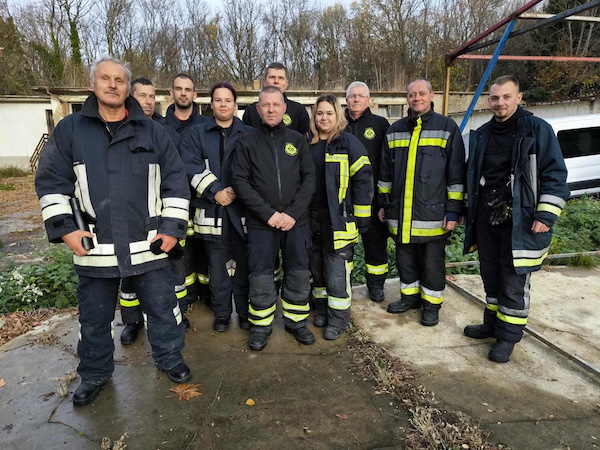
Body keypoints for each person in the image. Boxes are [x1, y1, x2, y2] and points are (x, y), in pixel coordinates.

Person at [35, 56, 192, 407]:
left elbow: (176, 182)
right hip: (95, 246)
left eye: (119, 80)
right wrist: (66, 230)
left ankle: (170, 358)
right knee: (94, 318)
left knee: (164, 309)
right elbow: (51, 182)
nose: (112, 85)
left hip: (149, 244)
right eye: (105, 78)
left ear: (127, 87)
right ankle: (94, 374)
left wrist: (172, 229)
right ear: (92, 84)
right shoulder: (70, 130)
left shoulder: (153, 131)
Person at [463, 75, 569, 363]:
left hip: (520, 219)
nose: (500, 103)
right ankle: (492, 324)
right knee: (490, 274)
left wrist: (545, 214)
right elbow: (472, 176)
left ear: (519, 98)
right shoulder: (482, 133)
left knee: (513, 279)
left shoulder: (537, 130)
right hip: (487, 216)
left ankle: (507, 337)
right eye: (495, 98)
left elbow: (555, 174)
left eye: (507, 97)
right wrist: (465, 210)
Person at [232, 86, 316, 351]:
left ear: (284, 108)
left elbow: (309, 179)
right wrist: (268, 214)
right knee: (260, 275)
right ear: (257, 109)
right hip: (261, 223)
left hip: (296, 222)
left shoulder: (298, 140)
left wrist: (292, 214)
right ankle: (261, 325)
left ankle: (296, 322)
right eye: (265, 105)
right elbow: (240, 182)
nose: (271, 109)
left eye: (276, 105)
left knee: (298, 272)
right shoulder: (246, 142)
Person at [378, 78, 465, 327]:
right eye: (412, 94)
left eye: (421, 94)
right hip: (400, 213)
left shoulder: (447, 128)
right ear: (407, 98)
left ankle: (431, 305)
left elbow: (456, 174)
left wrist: (453, 210)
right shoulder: (394, 130)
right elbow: (385, 173)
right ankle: (410, 298)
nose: (416, 98)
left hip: (433, 215)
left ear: (431, 95)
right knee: (404, 259)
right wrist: (383, 204)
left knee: (431, 263)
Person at [180, 82, 252, 332]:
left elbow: (254, 168)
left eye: (228, 100)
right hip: (211, 213)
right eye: (218, 100)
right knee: (217, 268)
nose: (223, 105)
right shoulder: (197, 133)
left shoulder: (248, 134)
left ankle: (244, 313)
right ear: (211, 104)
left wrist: (236, 190)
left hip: (241, 213)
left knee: (243, 266)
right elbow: (190, 165)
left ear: (235, 104)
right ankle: (222, 314)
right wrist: (215, 191)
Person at [119, 77, 185, 346]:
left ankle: (174, 319)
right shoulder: (120, 128)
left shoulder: (164, 131)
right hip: (129, 217)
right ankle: (131, 321)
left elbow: (176, 175)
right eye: (141, 96)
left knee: (168, 274)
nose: (147, 101)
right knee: (129, 277)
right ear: (130, 97)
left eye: (151, 96)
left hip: (160, 216)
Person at [308, 94, 373, 339]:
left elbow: (364, 181)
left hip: (339, 220)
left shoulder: (348, 143)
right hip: (311, 219)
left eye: (329, 113)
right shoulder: (307, 142)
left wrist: (361, 218)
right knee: (317, 270)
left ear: (338, 115)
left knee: (336, 272)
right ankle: (322, 309)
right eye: (320, 113)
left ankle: (338, 319)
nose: (324, 118)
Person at [165, 74, 210, 324]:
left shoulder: (205, 124)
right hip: (172, 200)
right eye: (179, 89)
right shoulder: (161, 126)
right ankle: (185, 299)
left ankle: (206, 294)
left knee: (205, 250)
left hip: (202, 199)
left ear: (195, 94)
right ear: (171, 92)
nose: (183, 93)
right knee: (180, 252)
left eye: (188, 89)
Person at [344, 81, 391, 302]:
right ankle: (345, 284)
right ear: (346, 100)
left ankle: (376, 285)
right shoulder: (338, 123)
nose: (356, 99)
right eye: (352, 96)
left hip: (372, 199)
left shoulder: (380, 125)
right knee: (344, 246)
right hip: (344, 199)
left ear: (369, 100)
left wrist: (383, 201)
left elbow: (387, 163)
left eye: (360, 96)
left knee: (375, 244)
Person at [242, 62, 310, 136]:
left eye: (281, 78)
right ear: (264, 82)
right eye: (272, 77)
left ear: (286, 83)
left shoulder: (299, 111)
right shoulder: (251, 111)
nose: (276, 81)